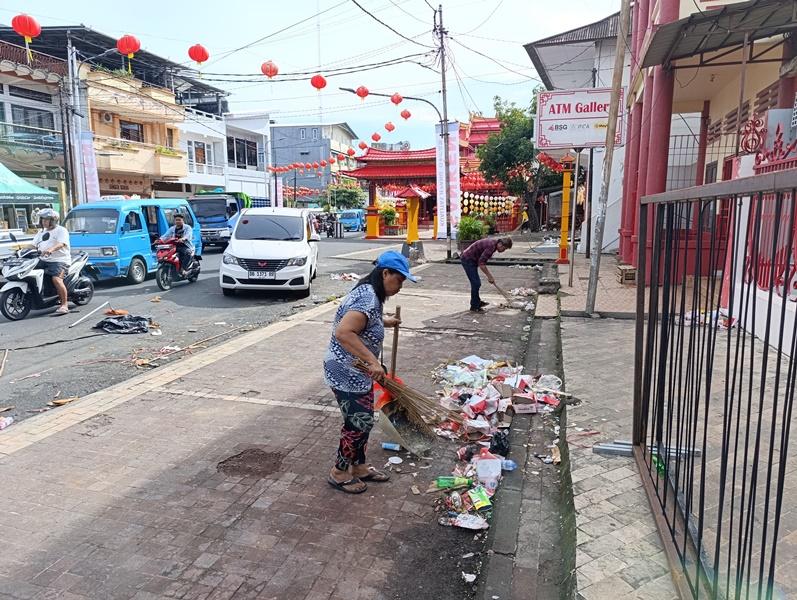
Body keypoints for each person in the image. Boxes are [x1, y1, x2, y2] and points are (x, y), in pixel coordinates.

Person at [323, 250, 416, 494]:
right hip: (345, 370)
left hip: (358, 371)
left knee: (362, 420)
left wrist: (385, 322)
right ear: (385, 273)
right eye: (399, 280)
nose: (400, 287)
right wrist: (373, 361)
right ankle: (339, 472)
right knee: (358, 423)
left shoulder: (370, 294)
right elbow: (344, 332)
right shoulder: (367, 297)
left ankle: (360, 467)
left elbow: (365, 319)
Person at [28, 208, 71, 315]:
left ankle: (64, 305)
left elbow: (62, 243)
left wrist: (50, 250)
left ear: (53, 220)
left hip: (59, 260)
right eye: (42, 219)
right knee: (27, 272)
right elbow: (33, 245)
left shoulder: (61, 230)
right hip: (43, 260)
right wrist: (21, 249)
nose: (43, 222)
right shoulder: (41, 232)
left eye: (46, 220)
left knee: (56, 279)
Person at [460, 236, 512, 313]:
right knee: (476, 283)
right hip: (467, 259)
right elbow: (482, 264)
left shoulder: (493, 244)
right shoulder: (491, 246)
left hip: (472, 259)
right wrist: (490, 276)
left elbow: (481, 262)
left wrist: (489, 276)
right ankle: (474, 306)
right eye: (505, 248)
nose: (504, 250)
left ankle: (476, 302)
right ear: (500, 244)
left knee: (476, 283)